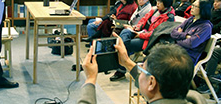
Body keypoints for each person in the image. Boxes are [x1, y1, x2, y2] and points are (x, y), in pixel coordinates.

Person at [78, 34, 207, 104]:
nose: (139, 72)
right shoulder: (196, 99)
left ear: (151, 82)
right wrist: (127, 63)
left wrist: (90, 79)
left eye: (142, 69)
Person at [110, 0, 175, 81]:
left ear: (166, 4)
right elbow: (144, 19)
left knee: (125, 45)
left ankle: (120, 68)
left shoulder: (169, 17)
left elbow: (156, 33)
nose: (157, 4)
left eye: (160, 2)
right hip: (141, 31)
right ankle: (119, 57)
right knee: (125, 31)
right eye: (157, 1)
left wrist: (140, 35)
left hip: (150, 40)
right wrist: (137, 27)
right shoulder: (155, 9)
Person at [171, 0, 212, 65]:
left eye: (195, 6)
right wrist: (185, 36)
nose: (191, 8)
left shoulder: (206, 27)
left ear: (203, 9)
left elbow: (191, 43)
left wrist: (178, 37)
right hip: (177, 50)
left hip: (188, 56)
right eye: (192, 5)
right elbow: (173, 33)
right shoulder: (191, 19)